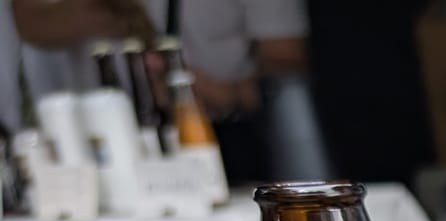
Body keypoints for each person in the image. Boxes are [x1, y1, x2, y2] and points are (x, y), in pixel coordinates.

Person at [12, 0, 307, 179]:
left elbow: (288, 59)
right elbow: (29, 23)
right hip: (113, 146)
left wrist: (224, 94)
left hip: (230, 138)